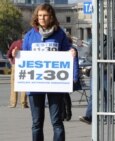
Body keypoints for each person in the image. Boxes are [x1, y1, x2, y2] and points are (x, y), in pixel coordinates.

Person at [11, 3, 77, 141]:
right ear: (36, 17)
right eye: (40, 15)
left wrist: (72, 52)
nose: (42, 18)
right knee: (36, 123)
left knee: (57, 122)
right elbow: (25, 56)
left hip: (55, 85)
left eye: (45, 15)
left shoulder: (60, 35)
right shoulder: (30, 35)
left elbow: (69, 52)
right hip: (35, 85)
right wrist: (17, 53)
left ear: (51, 16)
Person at [6, 31, 29, 108]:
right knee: (24, 84)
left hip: (16, 65)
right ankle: (23, 103)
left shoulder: (16, 43)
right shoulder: (29, 44)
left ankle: (13, 103)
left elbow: (9, 55)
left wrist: (12, 63)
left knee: (14, 84)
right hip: (26, 66)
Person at [61, 34, 80, 121]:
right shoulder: (61, 49)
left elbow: (75, 63)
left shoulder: (72, 49)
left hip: (68, 76)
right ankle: (64, 113)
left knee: (65, 95)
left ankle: (67, 113)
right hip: (61, 75)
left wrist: (75, 77)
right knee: (62, 96)